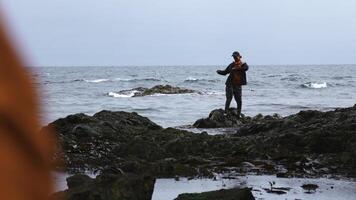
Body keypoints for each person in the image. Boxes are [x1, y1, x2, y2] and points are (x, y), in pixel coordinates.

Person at [216, 51, 249, 118]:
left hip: (238, 84)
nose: (234, 58)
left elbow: (246, 68)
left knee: (239, 100)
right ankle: (226, 112)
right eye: (233, 57)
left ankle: (238, 114)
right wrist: (219, 72)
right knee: (229, 98)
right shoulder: (231, 65)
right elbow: (225, 72)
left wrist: (236, 68)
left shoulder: (243, 64)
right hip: (229, 84)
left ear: (239, 56)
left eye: (236, 56)